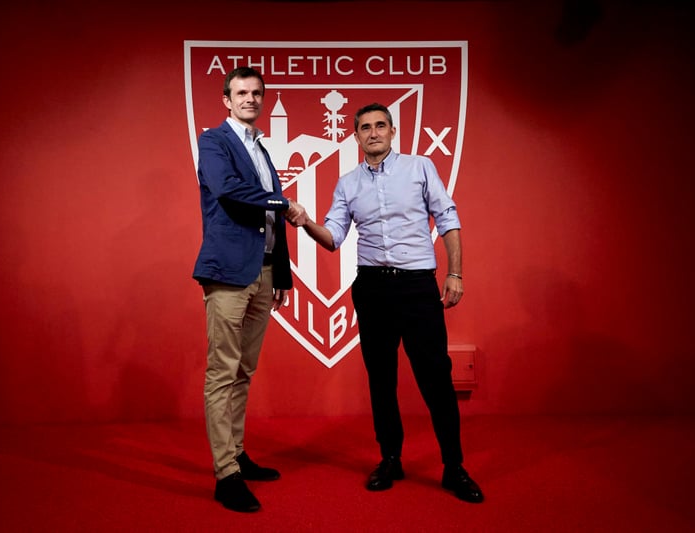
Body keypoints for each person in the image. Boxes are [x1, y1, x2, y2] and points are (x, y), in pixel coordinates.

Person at [289, 103, 484, 503]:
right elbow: (334, 238)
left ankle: (454, 467)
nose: (374, 132)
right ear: (356, 137)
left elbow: (447, 218)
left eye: (380, 126)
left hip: (417, 287)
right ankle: (391, 459)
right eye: (365, 128)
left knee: (436, 377)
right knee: (381, 380)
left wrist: (455, 273)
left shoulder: (420, 167)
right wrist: (305, 221)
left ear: (393, 132)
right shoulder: (347, 183)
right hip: (372, 288)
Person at [193, 66, 303, 513]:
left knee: (244, 371)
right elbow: (227, 189)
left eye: (257, 93)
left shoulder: (261, 148)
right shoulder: (214, 141)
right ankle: (226, 475)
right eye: (241, 93)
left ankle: (237, 455)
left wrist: (281, 275)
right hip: (228, 271)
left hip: (263, 272)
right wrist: (284, 200)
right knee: (222, 372)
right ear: (227, 99)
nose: (250, 99)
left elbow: (271, 222)